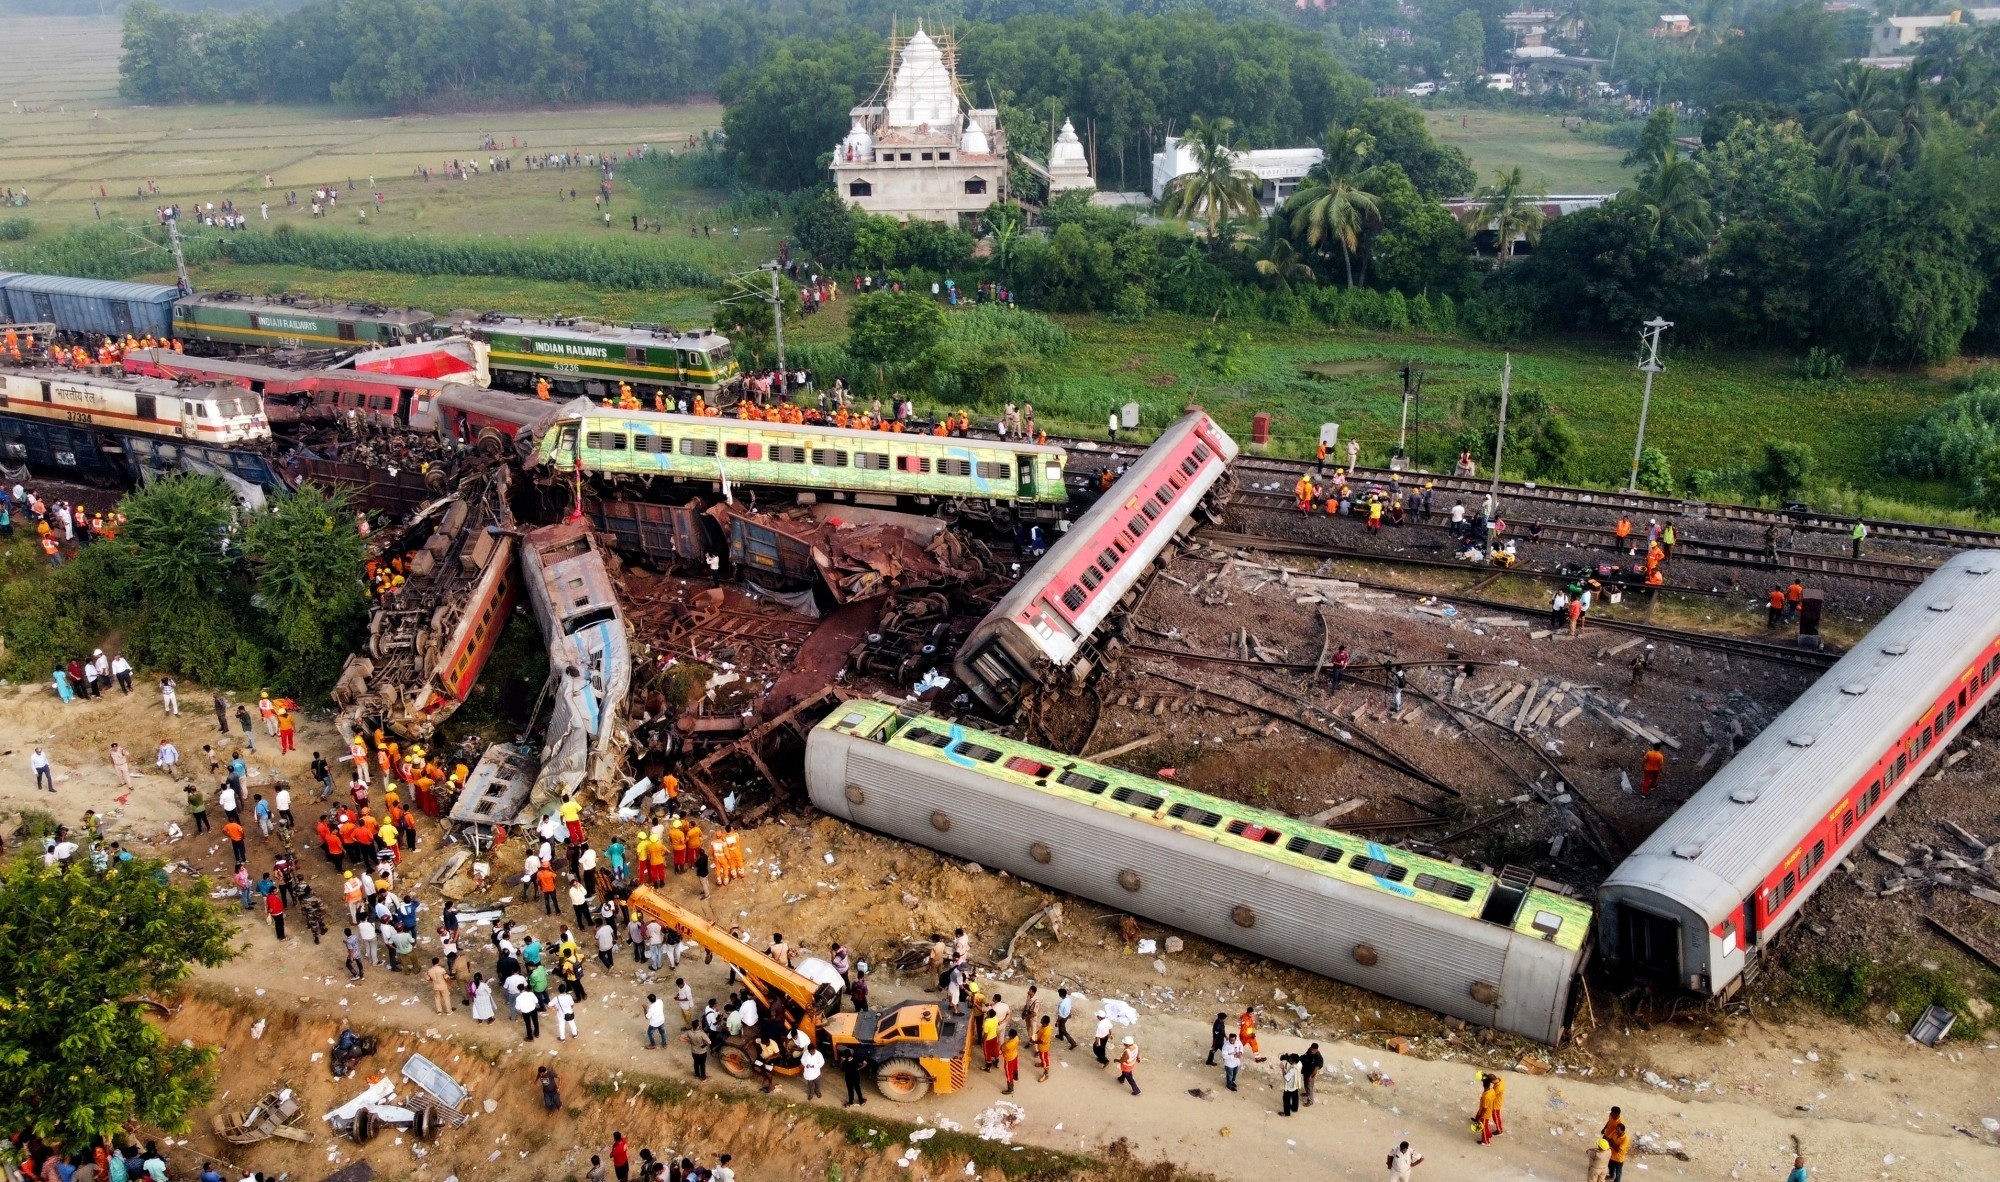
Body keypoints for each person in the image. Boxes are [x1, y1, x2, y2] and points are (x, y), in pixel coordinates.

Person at [1301, 1041, 1324, 1105]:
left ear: (1316, 1050)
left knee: (1309, 1085)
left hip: (1312, 1071)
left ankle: (1310, 1100)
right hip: (1307, 1069)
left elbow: (1316, 1068)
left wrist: (1311, 1076)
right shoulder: (1309, 1050)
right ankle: (1307, 1093)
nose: (1312, 1051)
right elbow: (1306, 1056)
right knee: (1306, 1082)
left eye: (1314, 1050)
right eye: (1311, 1049)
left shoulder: (1317, 1057)